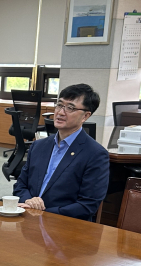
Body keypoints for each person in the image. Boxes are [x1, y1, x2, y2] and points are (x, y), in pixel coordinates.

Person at [13, 83, 109, 221]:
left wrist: (43, 213)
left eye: (70, 108)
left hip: (65, 227)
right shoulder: (38, 145)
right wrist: (28, 202)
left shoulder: (95, 154)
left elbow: (88, 205)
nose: (60, 112)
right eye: (59, 105)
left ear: (85, 116)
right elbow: (20, 185)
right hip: (29, 220)